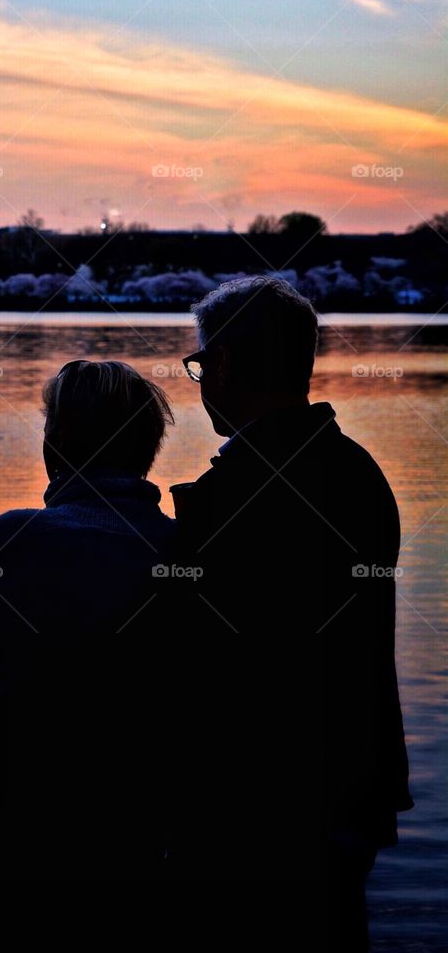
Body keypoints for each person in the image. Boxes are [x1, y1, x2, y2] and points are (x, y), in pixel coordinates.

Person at [0, 359, 175, 952]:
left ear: (57, 446)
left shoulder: (17, 542)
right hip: (136, 850)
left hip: (5, 848)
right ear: (147, 448)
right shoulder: (183, 551)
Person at [167, 275, 412, 951]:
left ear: (223, 364)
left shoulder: (238, 495)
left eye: (198, 365)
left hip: (260, 805)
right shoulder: (357, 471)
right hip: (350, 785)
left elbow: (197, 652)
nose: (198, 382)